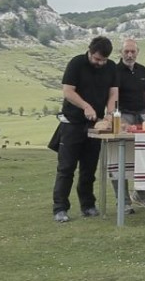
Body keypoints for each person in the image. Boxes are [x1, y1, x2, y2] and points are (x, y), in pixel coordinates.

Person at [51, 36, 119, 223]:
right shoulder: (76, 63)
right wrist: (85, 106)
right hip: (72, 123)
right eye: (97, 59)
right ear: (89, 51)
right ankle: (60, 208)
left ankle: (88, 205)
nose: (100, 63)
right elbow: (68, 91)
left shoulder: (111, 67)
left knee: (89, 169)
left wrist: (110, 113)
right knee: (66, 168)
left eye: (103, 60)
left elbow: (113, 93)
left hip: (94, 125)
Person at [108, 38, 145, 211]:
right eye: (126, 51)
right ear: (120, 52)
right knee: (120, 158)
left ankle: (141, 195)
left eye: (133, 51)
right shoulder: (113, 70)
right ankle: (123, 201)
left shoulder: (142, 69)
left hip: (142, 117)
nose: (129, 55)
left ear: (137, 52)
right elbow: (110, 96)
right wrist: (116, 120)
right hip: (122, 117)